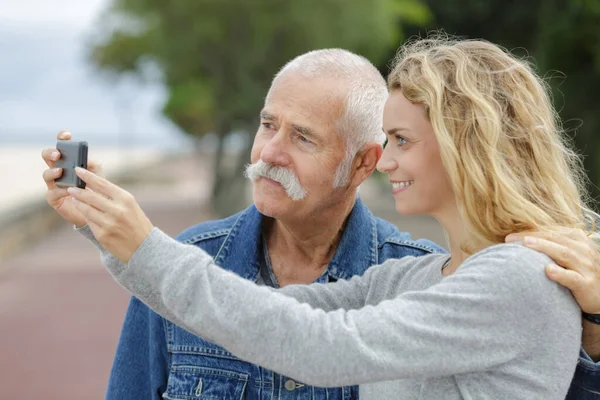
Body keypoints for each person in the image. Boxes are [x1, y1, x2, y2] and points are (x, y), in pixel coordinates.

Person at [42, 42, 600, 398]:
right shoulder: (418, 279)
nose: (390, 160)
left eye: (401, 140)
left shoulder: (516, 277)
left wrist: (146, 248)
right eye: (268, 125)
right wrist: (110, 229)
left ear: (465, 150)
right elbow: (280, 311)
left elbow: (322, 345)